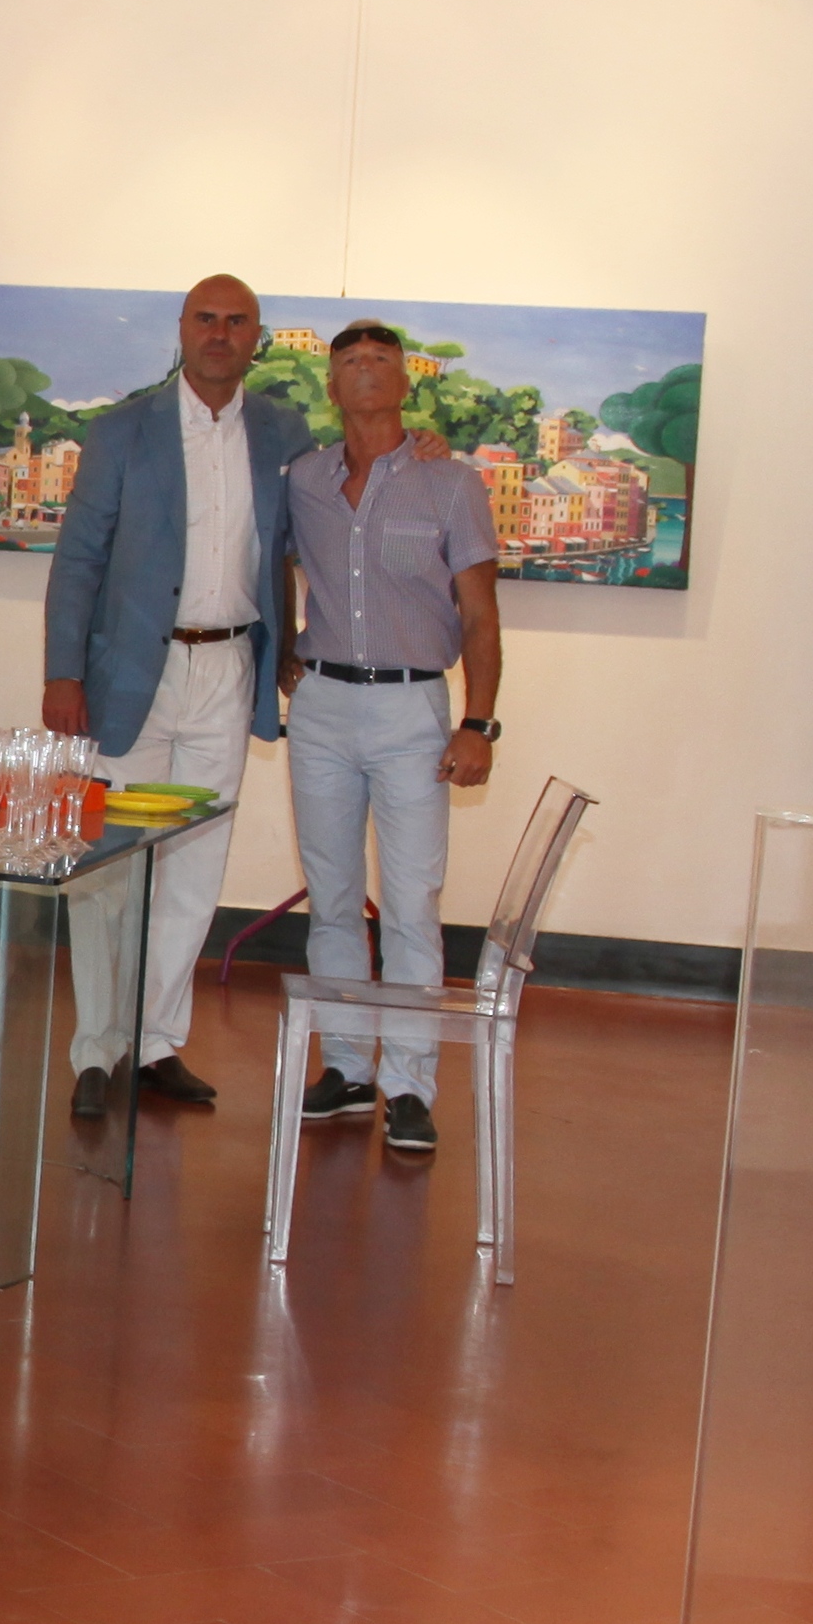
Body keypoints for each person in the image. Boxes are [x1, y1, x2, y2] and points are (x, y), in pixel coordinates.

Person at [42, 276, 306, 1121]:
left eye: (237, 321)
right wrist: (62, 674)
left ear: (257, 337)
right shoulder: (123, 430)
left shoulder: (284, 432)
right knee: (105, 870)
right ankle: (96, 1050)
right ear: (183, 330)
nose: (220, 334)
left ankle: (154, 1043)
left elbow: (300, 542)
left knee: (194, 869)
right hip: (128, 678)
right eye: (206, 319)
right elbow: (79, 559)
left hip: (229, 670)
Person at [283, 319, 504, 1156]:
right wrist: (281, 653)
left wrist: (478, 722)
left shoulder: (451, 484)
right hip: (323, 708)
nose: (365, 370)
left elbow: (481, 615)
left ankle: (409, 1086)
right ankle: (346, 1067)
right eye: (350, 361)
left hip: (414, 711)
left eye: (381, 360)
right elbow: (261, 561)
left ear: (406, 382)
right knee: (333, 898)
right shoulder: (303, 480)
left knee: (411, 904)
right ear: (332, 385)